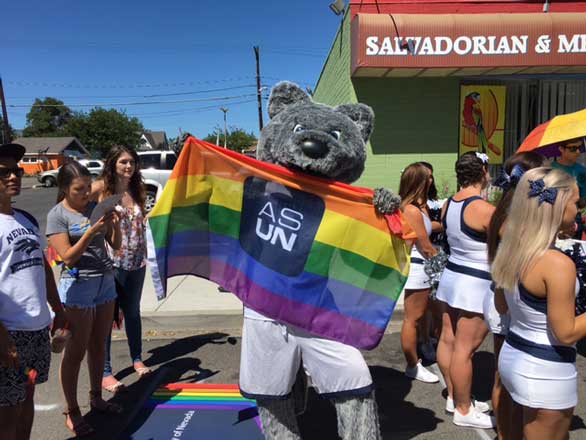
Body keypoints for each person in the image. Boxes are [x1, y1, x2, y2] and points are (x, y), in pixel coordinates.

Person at [492, 167, 586, 440]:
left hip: (514, 356)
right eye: (575, 202)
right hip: (546, 369)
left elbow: (502, 305)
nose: (578, 210)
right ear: (556, 207)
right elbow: (566, 332)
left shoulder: (512, 245)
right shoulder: (557, 264)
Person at [46, 161, 122, 437]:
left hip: (104, 282)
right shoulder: (57, 216)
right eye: (79, 189)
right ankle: (72, 409)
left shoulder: (94, 207)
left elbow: (115, 245)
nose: (86, 194)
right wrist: (90, 231)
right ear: (65, 189)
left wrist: (114, 224)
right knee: (76, 352)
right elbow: (66, 257)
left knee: (99, 346)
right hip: (78, 286)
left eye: (89, 188)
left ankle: (95, 397)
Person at [0, 143, 66, 440]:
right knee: (6, 415)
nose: (13, 176)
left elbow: (42, 269)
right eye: (4, 172)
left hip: (37, 330)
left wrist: (59, 312)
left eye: (16, 170)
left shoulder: (26, 218)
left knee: (27, 401)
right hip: (9, 333)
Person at [486, 152, 545, 440]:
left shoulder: (505, 210)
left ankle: (507, 432)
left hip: (505, 297)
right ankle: (505, 433)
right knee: (505, 378)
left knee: (506, 377)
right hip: (506, 300)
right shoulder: (512, 219)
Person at [435, 152, 494, 429]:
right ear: (483, 172)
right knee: (465, 348)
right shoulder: (483, 209)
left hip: (452, 277)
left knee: (448, 339)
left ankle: (455, 396)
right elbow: (514, 240)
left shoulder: (450, 203)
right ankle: (463, 408)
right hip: (475, 282)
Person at [91, 146, 150, 394]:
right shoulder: (101, 188)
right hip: (112, 263)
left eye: (132, 162)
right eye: (124, 162)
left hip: (137, 262)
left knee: (133, 313)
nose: (128, 166)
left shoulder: (137, 189)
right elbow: (75, 205)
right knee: (106, 318)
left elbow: (140, 217)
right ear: (112, 163)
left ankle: (137, 358)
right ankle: (105, 372)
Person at [399, 163, 439, 383]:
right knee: (412, 319)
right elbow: (425, 246)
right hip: (417, 266)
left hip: (423, 266)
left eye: (431, 178)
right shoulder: (411, 209)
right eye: (427, 178)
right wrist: (443, 264)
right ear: (417, 181)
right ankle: (413, 364)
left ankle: (418, 357)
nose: (431, 181)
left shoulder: (417, 206)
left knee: (420, 316)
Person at [551, 137, 586, 238]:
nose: (578, 152)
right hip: (553, 217)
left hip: (574, 219)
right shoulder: (550, 170)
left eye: (580, 147)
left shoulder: (582, 171)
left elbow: (582, 202)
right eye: (573, 148)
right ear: (561, 149)